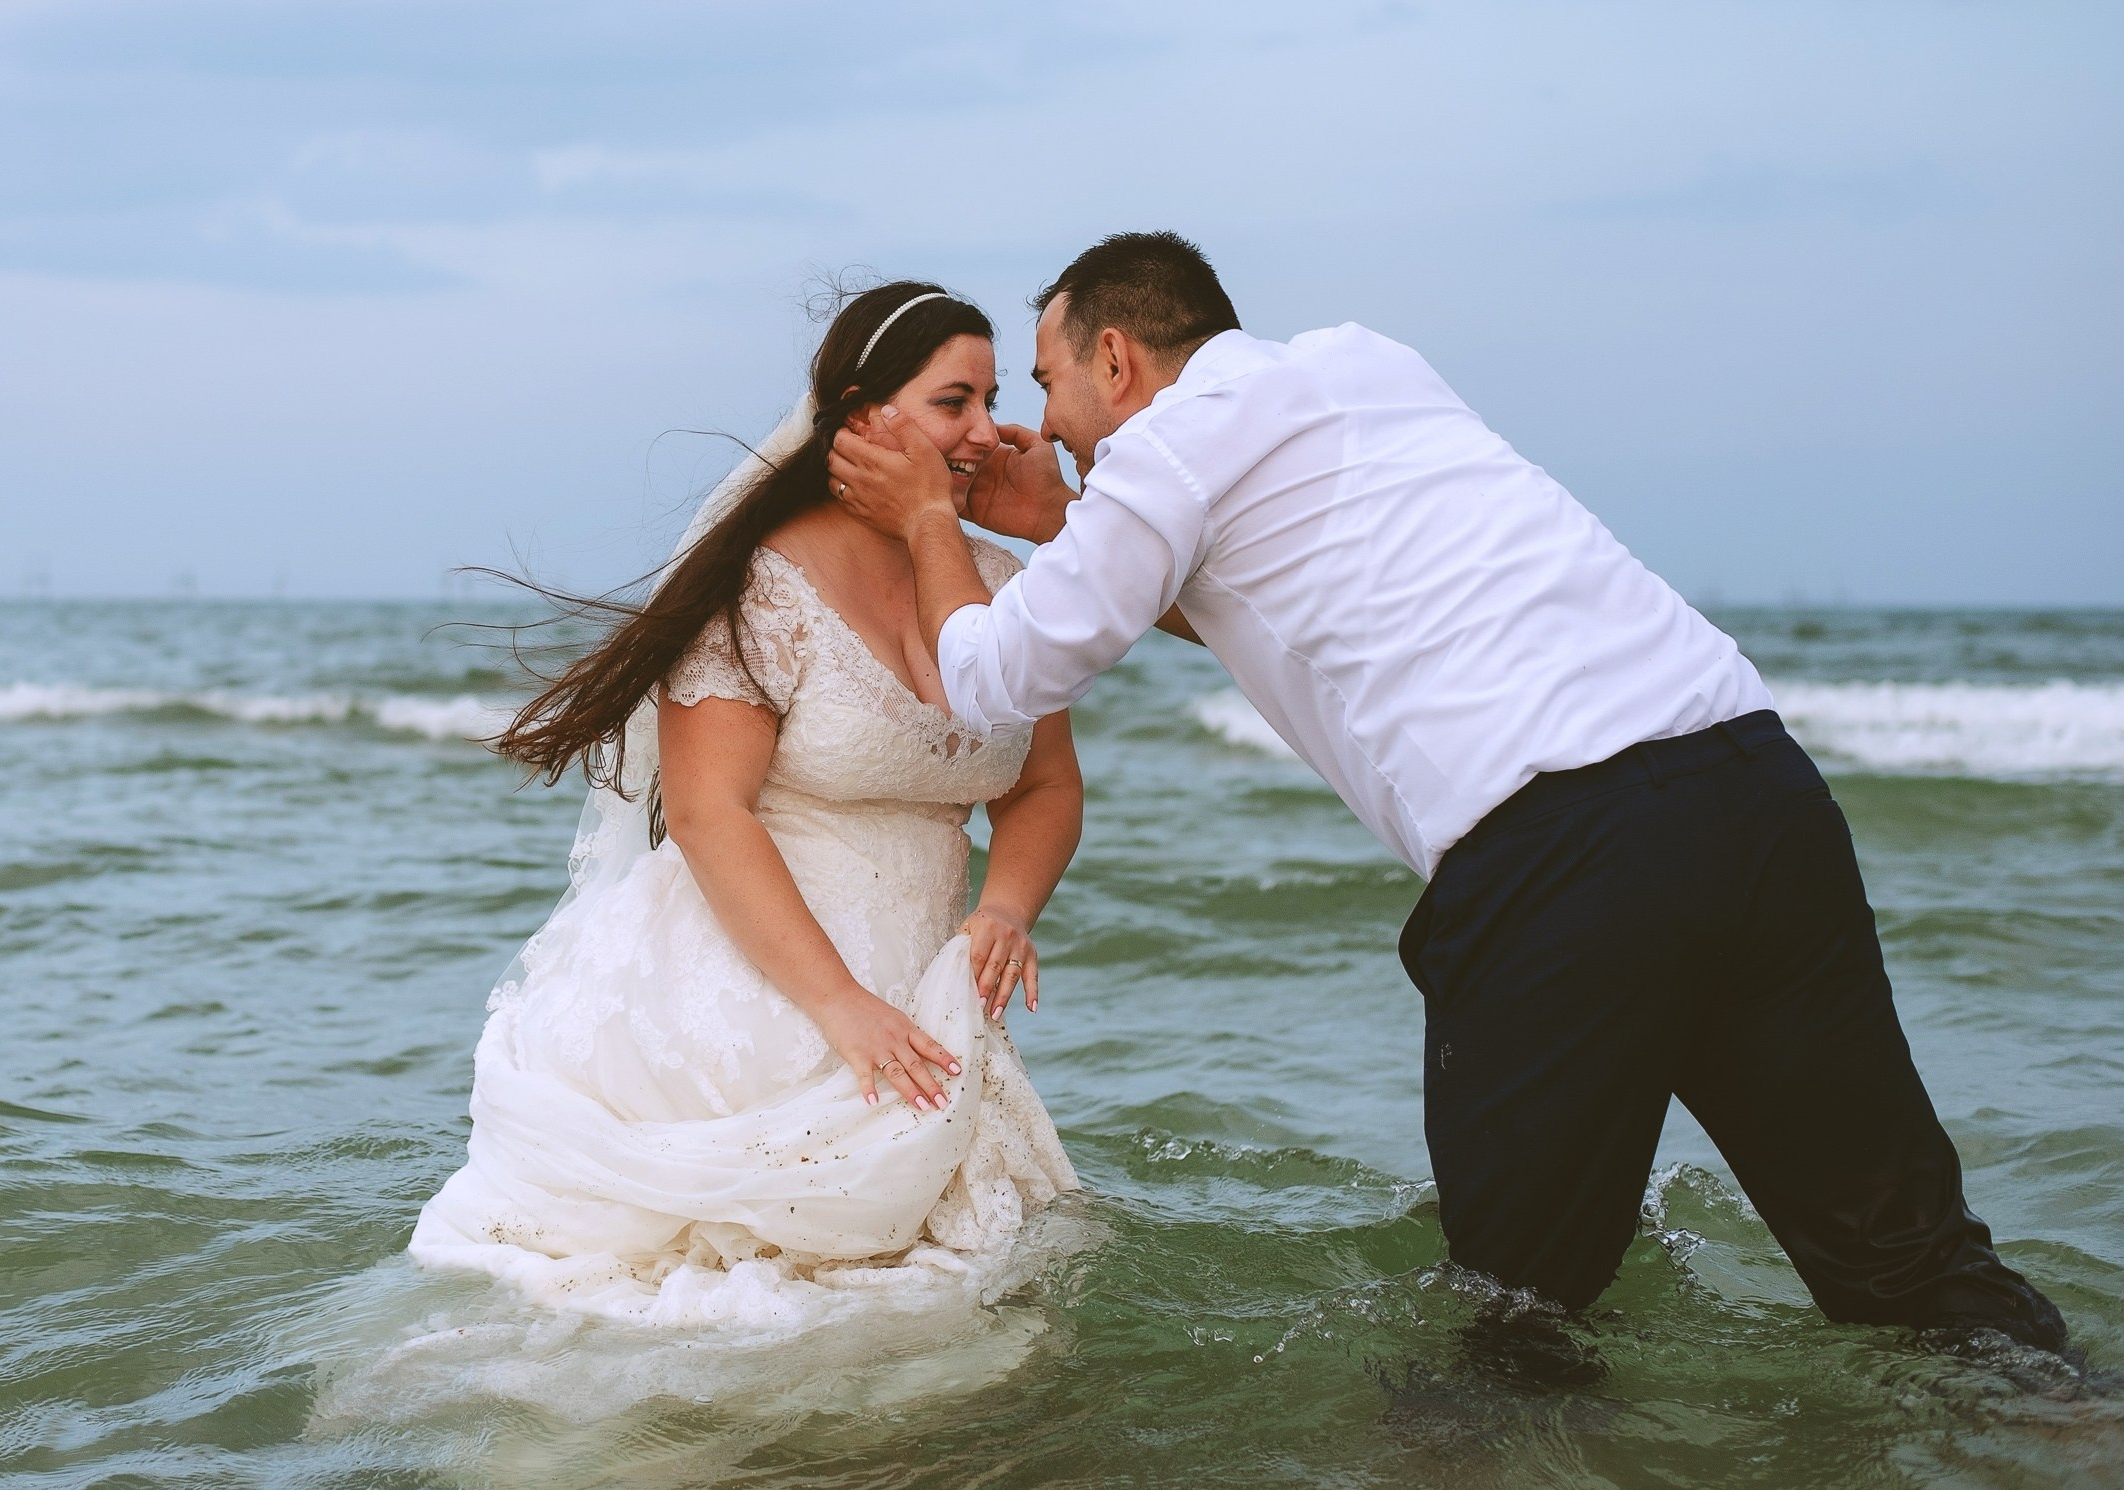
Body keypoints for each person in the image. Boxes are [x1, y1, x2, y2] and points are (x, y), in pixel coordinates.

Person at [827, 232, 2066, 1351]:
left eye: (1046, 387)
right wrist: (1073, 529)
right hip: (1753, 785)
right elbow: (1293, 607)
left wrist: (935, 518)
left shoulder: (1161, 451)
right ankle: (2064, 1432)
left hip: (1567, 862)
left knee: (1509, 1317)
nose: (1045, 425)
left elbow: (985, 679)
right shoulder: (1366, 365)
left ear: (1115, 356)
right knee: (1907, 1259)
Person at [409, 281, 1081, 1323]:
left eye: (991, 400)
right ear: (863, 414)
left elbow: (1044, 783)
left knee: (964, 1328)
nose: (986, 432)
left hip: (930, 998)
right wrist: (838, 1006)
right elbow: (710, 811)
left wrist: (1004, 910)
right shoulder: (762, 584)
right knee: (718, 1319)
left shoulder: (996, 582)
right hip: (760, 994)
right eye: (955, 402)